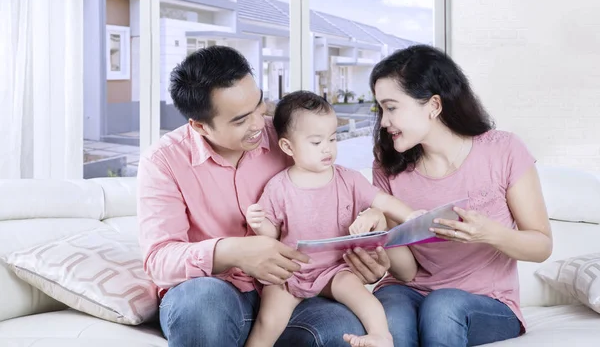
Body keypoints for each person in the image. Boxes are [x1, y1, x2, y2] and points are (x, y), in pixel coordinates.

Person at [136, 46, 389, 347]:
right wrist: (233, 252)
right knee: (202, 304)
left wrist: (368, 247)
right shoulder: (164, 161)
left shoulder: (289, 138)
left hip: (293, 290)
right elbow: (158, 259)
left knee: (343, 330)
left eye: (259, 105)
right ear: (200, 126)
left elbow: (344, 193)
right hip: (215, 296)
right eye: (241, 120)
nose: (259, 123)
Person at [342, 45, 553, 347]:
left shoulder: (503, 150)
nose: (384, 121)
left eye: (392, 107)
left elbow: (541, 246)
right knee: (391, 321)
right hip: (407, 290)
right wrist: (382, 236)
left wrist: (489, 233)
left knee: (442, 306)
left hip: (486, 302)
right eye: (380, 109)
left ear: (433, 105)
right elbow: (407, 271)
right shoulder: (388, 167)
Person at [243, 91, 421, 347]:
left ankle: (381, 336)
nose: (328, 148)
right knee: (268, 320)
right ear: (287, 146)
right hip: (291, 272)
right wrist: (259, 224)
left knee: (363, 298)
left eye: (333, 138)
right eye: (316, 142)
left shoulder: (348, 179)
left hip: (336, 269)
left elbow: (383, 201)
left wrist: (411, 216)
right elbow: (272, 236)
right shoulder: (278, 187)